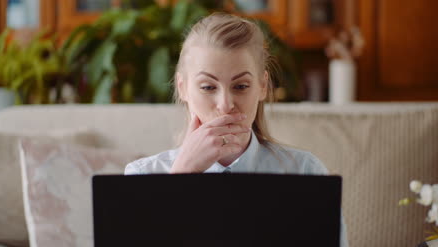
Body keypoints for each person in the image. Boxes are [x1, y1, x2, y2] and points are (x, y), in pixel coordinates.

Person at [125, 13, 349, 247]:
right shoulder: (141, 177)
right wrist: (181, 177)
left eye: (241, 86)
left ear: (262, 86)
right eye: (208, 87)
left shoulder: (306, 173)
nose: (225, 104)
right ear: (183, 88)